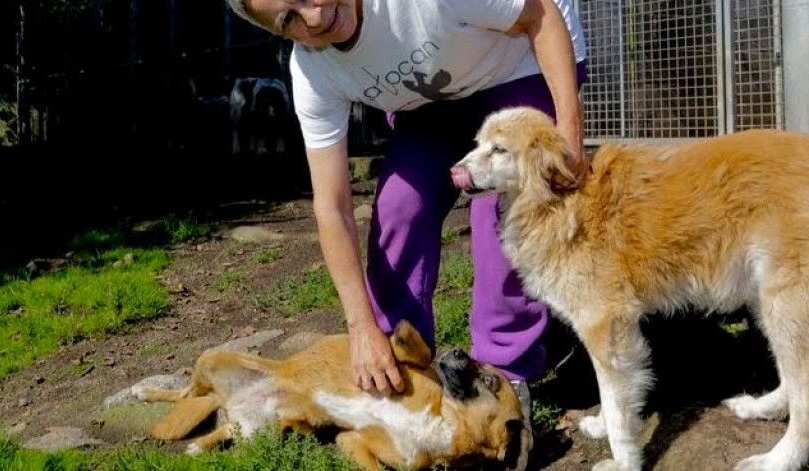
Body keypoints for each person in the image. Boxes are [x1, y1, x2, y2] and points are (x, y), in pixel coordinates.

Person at [225, 0, 588, 414]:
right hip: (432, 100)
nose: (315, 17)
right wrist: (360, 328)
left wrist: (569, 137)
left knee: (499, 208)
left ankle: (504, 373)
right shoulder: (313, 69)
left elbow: (540, 16)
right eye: (289, 19)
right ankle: (400, 363)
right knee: (400, 206)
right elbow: (332, 207)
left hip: (520, 61)